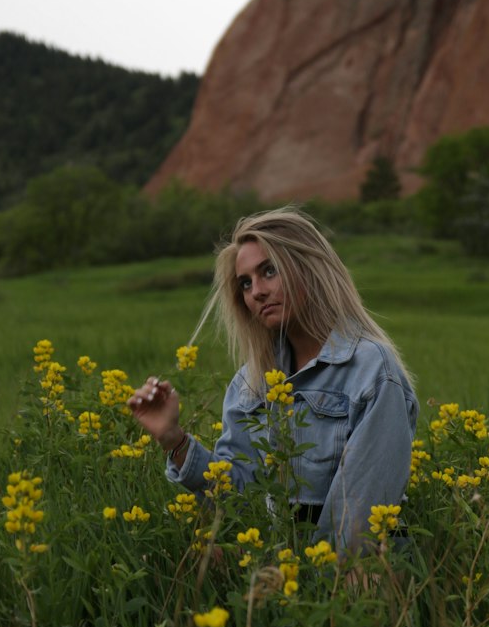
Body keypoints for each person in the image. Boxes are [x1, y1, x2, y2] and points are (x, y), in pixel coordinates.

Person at [127, 207, 418, 553]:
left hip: (355, 576)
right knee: (199, 557)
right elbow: (237, 500)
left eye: (269, 271)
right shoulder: (250, 383)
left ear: (309, 269)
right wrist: (175, 442)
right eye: (245, 283)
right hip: (283, 570)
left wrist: (305, 588)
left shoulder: (371, 370)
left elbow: (359, 520)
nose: (257, 292)